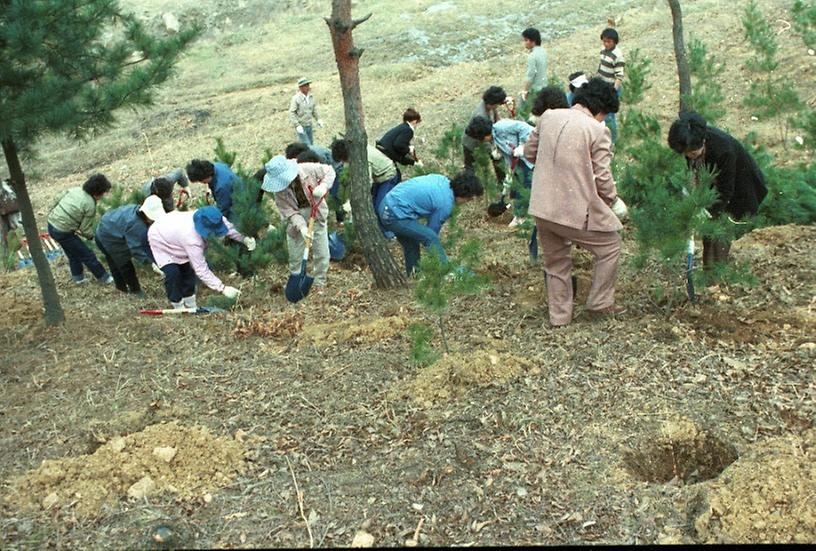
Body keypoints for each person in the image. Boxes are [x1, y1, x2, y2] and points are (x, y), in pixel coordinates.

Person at [523, 77, 628, 327]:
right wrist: (613, 201)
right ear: (601, 108)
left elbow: (529, 154)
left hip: (541, 207)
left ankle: (559, 318)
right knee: (610, 246)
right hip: (571, 211)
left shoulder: (548, 117)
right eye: (605, 114)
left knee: (556, 262)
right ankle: (600, 303)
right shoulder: (597, 130)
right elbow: (603, 176)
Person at [667, 111, 768, 269]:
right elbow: (697, 171)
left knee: (722, 229)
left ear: (703, 141)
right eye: (686, 154)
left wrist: (707, 212)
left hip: (740, 188)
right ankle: (708, 271)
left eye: (693, 153)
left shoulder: (723, 150)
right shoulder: (691, 142)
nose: (689, 157)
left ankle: (717, 275)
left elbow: (726, 191)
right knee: (709, 233)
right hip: (716, 186)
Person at [378, 171, 483, 276]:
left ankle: (414, 276)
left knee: (411, 244)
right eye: (469, 199)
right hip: (394, 215)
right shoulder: (445, 204)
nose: (468, 202)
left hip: (387, 204)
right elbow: (431, 233)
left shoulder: (443, 180)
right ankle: (448, 273)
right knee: (430, 237)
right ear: (463, 194)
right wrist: (437, 254)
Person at [147, 206, 251, 309]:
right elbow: (201, 269)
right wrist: (222, 288)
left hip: (174, 230)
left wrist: (244, 239)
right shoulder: (191, 238)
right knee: (173, 273)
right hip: (160, 238)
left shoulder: (212, 217)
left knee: (187, 271)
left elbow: (229, 228)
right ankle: (178, 305)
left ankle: (190, 303)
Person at [261, 155, 336, 289]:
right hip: (296, 219)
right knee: (295, 252)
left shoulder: (307, 169)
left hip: (316, 213)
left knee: (321, 250)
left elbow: (329, 171)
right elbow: (288, 211)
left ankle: (320, 280)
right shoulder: (279, 190)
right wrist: (302, 227)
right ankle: (297, 279)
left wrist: (323, 186)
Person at [465, 115, 534, 229]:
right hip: (517, 163)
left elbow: (525, 128)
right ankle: (518, 213)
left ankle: (522, 217)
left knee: (524, 186)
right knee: (516, 187)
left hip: (528, 158)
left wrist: (522, 145)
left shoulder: (501, 127)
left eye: (480, 138)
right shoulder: (494, 138)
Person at [47, 174, 114, 284]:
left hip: (51, 224)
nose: (103, 196)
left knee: (73, 253)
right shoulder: (90, 205)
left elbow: (57, 199)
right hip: (63, 232)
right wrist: (93, 237)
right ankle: (105, 278)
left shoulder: (75, 190)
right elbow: (84, 229)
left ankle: (78, 278)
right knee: (87, 255)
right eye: (103, 193)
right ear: (97, 193)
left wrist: (55, 212)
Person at [94, 195, 166, 297]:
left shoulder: (138, 211)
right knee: (124, 263)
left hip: (108, 228)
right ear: (146, 214)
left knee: (114, 262)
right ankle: (135, 291)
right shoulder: (136, 225)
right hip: (107, 236)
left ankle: (121, 288)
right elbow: (136, 249)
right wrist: (152, 263)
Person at [330, 139, 401, 216]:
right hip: (378, 178)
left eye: (343, 160)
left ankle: (394, 222)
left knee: (380, 207)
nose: (344, 163)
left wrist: (351, 202)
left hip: (388, 176)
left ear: (346, 155)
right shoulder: (356, 149)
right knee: (373, 207)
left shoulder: (363, 157)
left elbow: (366, 183)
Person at [462, 86, 514, 183]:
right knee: (471, 167)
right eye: (497, 104)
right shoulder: (481, 115)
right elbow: (483, 139)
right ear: (491, 103)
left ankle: (502, 180)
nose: (497, 106)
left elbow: (496, 118)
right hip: (472, 142)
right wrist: (493, 149)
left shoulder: (489, 104)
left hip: (485, 136)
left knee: (498, 158)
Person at [596, 28, 625, 142]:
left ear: (614, 42)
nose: (606, 44)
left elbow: (619, 76)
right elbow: (601, 66)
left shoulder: (618, 56)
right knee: (601, 114)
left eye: (609, 42)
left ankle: (612, 140)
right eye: (604, 41)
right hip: (602, 86)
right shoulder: (602, 50)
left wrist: (613, 91)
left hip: (611, 88)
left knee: (609, 116)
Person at [289, 77, 323, 146]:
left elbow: (313, 110)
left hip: (309, 125)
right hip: (302, 126)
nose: (308, 87)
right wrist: (297, 125)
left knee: (311, 144)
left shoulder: (311, 97)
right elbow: (292, 113)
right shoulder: (296, 98)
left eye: (308, 85)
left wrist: (318, 119)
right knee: (306, 145)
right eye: (306, 85)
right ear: (301, 88)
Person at [520, 27, 548, 103]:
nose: (524, 42)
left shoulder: (532, 56)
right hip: (544, 86)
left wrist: (524, 91)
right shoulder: (543, 51)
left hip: (535, 90)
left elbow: (530, 76)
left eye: (526, 40)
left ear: (533, 41)